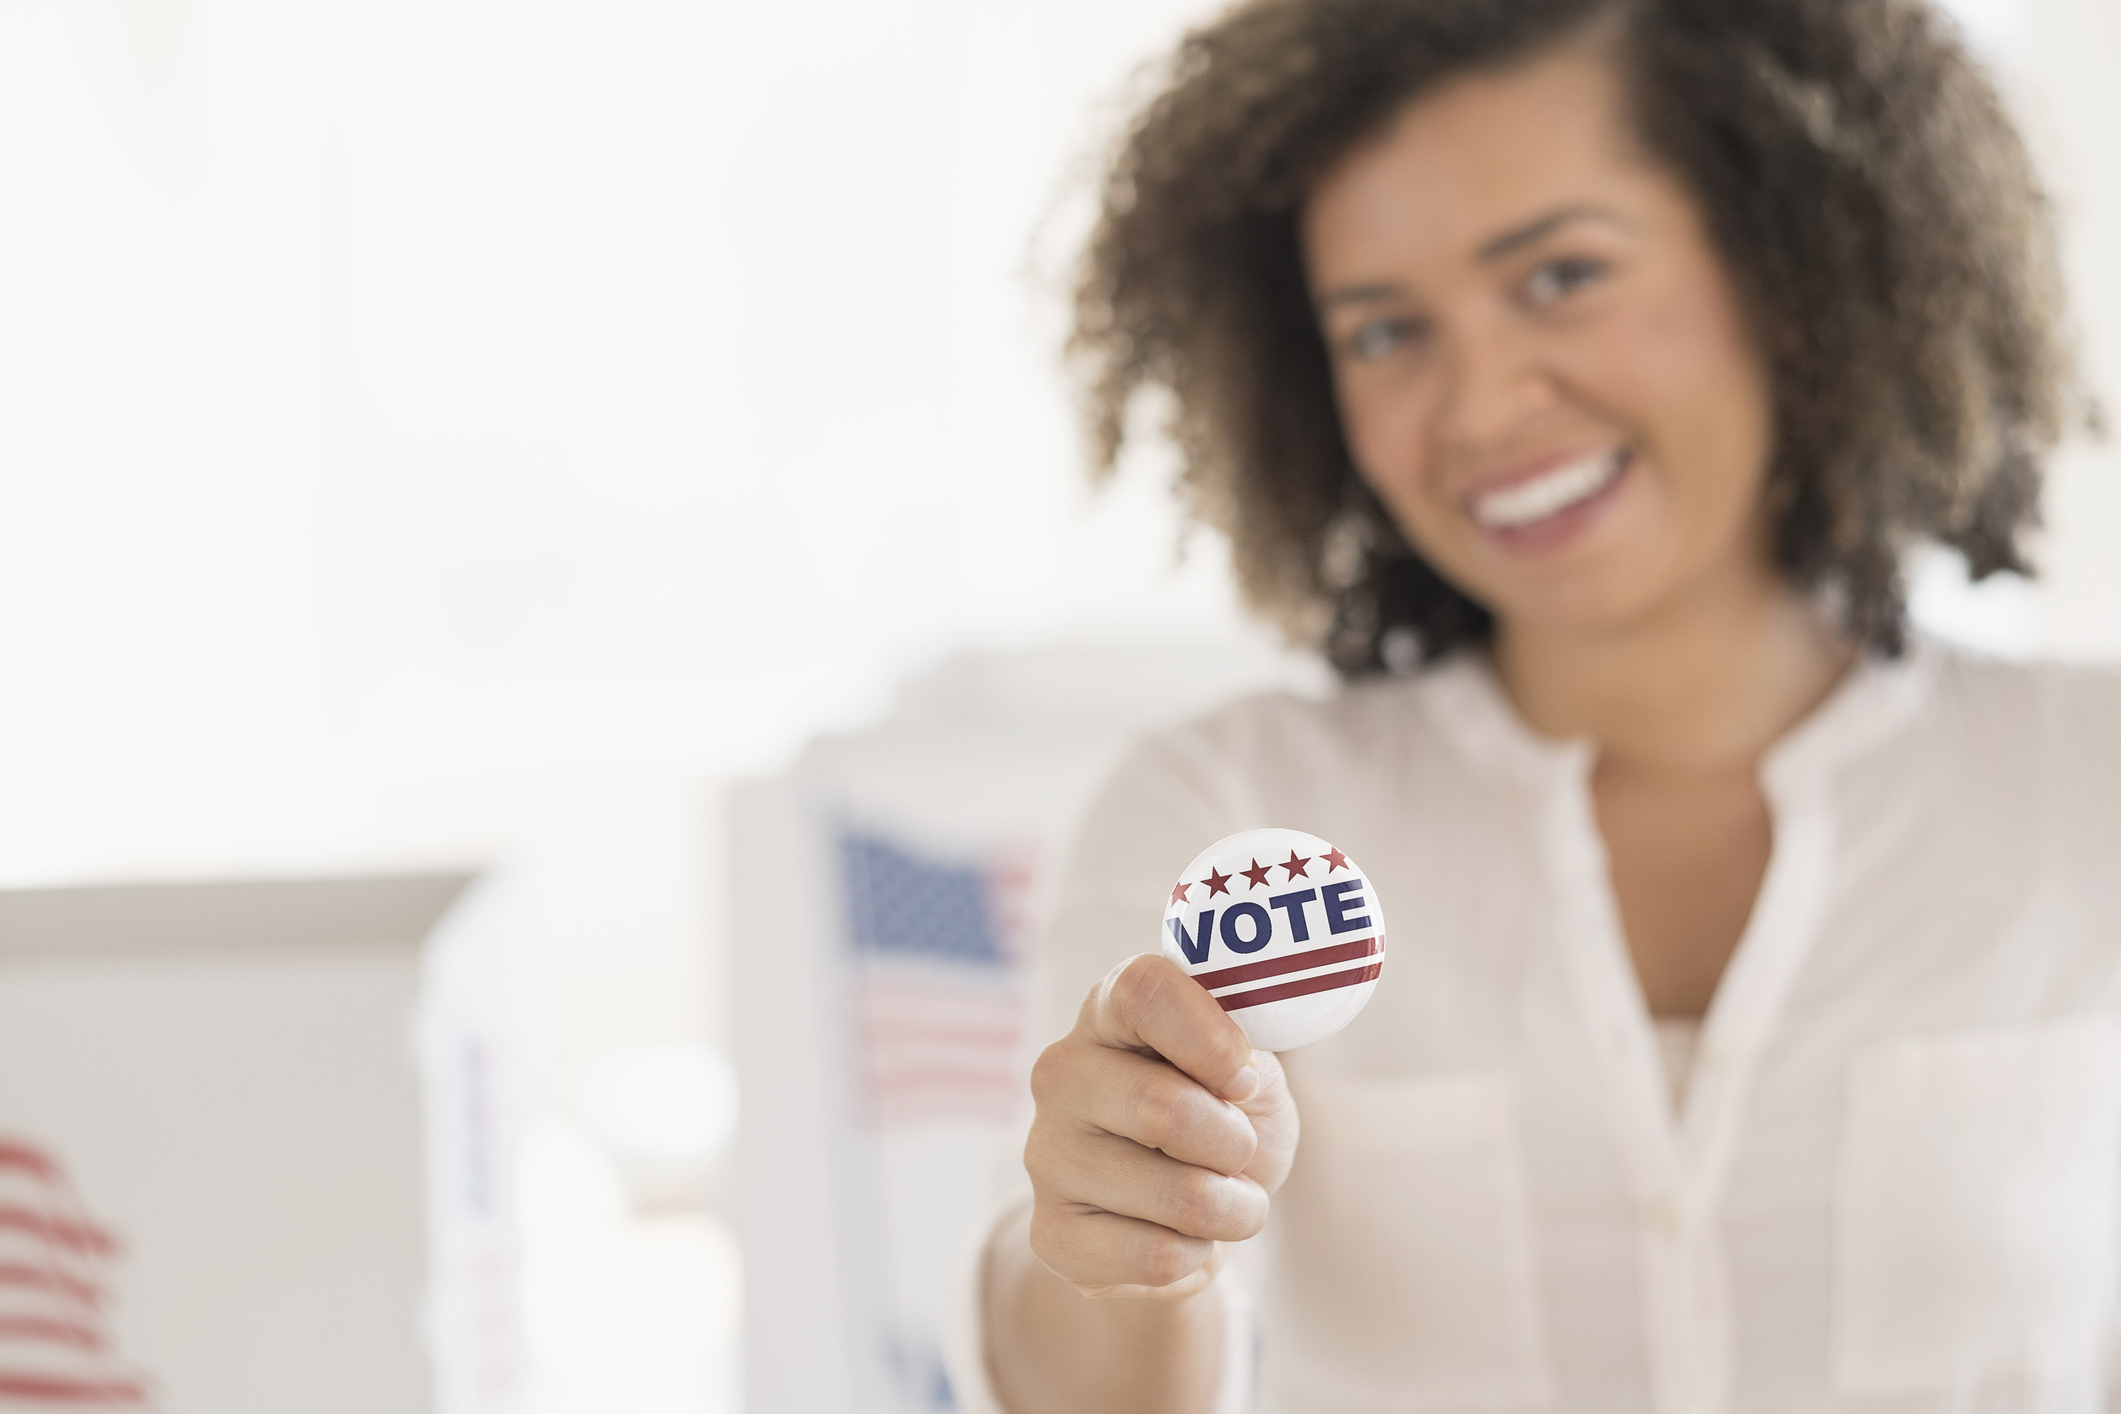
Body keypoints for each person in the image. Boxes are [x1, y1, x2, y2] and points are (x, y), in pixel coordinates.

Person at [970, 0, 2121, 1411]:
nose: (1482, 402)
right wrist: (1114, 1235)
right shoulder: (1226, 806)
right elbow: (1071, 1380)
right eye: (1385, 330)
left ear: (1794, 264)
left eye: (1561, 273)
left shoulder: (2089, 780)